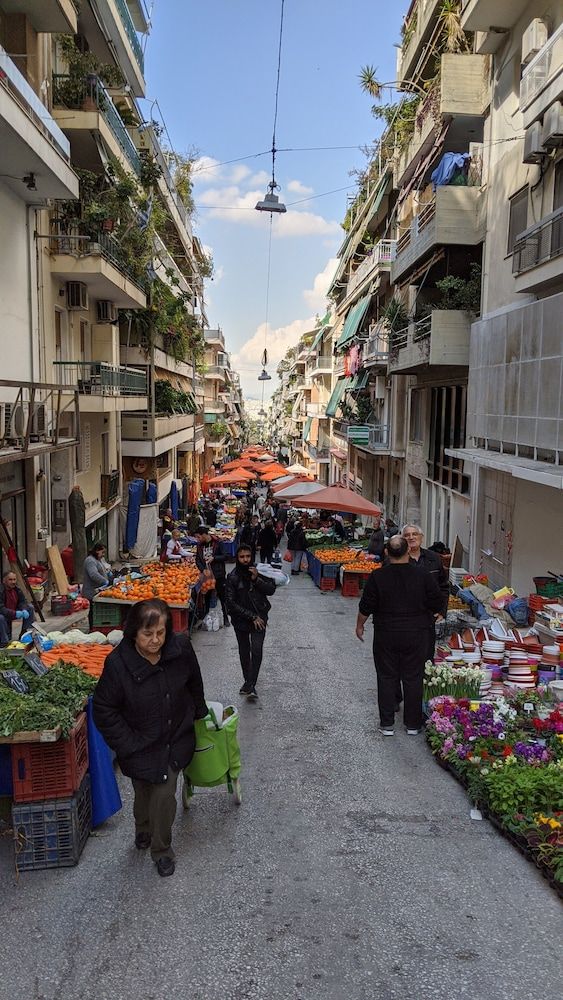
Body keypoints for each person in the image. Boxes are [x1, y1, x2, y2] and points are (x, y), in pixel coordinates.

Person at [93, 599, 208, 877]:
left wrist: (198, 711)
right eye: (148, 634)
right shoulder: (118, 664)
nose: (155, 640)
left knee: (164, 795)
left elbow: (194, 681)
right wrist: (127, 744)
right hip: (138, 743)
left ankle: (162, 850)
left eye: (161, 632)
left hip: (174, 737)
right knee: (144, 789)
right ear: (133, 631)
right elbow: (104, 709)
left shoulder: (180, 648)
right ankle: (142, 828)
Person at [355, 535, 443, 736]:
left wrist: (360, 626)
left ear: (386, 552)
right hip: (417, 632)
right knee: (414, 676)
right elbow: (437, 603)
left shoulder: (378, 576)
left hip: (386, 633)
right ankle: (412, 724)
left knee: (386, 676)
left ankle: (387, 724)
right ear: (408, 552)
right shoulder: (423, 576)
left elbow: (366, 605)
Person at [225, 545, 276, 701]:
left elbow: (271, 590)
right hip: (242, 620)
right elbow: (230, 603)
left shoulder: (259, 571)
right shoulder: (232, 576)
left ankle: (250, 683)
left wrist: (257, 579)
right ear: (237, 558)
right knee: (244, 651)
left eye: (248, 556)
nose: (245, 559)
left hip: (260, 618)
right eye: (242, 557)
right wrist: (251, 616)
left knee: (256, 649)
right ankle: (248, 681)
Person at [194, 526, 229, 626]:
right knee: (207, 597)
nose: (198, 539)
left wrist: (214, 558)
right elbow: (197, 560)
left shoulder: (218, 543)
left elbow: (225, 556)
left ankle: (226, 617)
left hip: (218, 574)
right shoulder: (200, 546)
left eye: (198, 537)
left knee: (222, 596)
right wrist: (202, 569)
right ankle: (205, 619)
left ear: (204, 535)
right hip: (207, 576)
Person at [0, 571, 35, 644]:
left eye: (14, 579)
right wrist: (14, 613)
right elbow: (1, 608)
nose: (13, 582)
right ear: (4, 581)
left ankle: (24, 632)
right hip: (4, 614)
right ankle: (4, 641)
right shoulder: (1, 590)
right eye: (10, 580)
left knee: (30, 607)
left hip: (13, 611)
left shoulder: (17, 589)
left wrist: (24, 609)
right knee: (1, 618)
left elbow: (22, 601)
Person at [82, 544, 110, 631]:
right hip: (92, 591)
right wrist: (104, 581)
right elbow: (93, 574)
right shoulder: (90, 561)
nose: (103, 554)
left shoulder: (97, 560)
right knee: (93, 610)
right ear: (97, 550)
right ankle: (92, 628)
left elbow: (101, 569)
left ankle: (94, 627)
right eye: (103, 552)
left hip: (97, 590)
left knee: (95, 610)